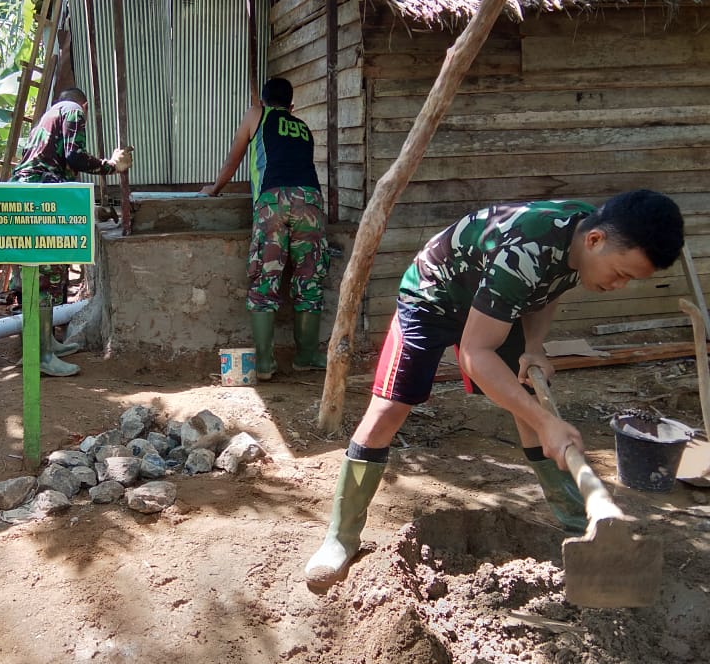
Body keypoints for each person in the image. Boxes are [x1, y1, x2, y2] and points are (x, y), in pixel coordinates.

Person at [304, 189, 685, 585]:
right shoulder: (529, 246)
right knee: (388, 412)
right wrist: (545, 422)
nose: (619, 286)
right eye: (621, 273)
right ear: (595, 241)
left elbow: (548, 286)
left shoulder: (585, 235)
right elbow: (474, 352)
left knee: (531, 404)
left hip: (496, 304)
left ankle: (583, 528)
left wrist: (534, 349)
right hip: (433, 296)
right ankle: (340, 538)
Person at [201, 77, 328, 380]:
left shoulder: (256, 115)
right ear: (292, 105)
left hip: (273, 202)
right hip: (310, 201)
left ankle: (265, 365)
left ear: (265, 102)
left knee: (264, 281)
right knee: (309, 279)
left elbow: (235, 159)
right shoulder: (303, 128)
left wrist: (215, 188)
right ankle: (307, 356)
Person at [11, 86, 132, 377]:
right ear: (85, 104)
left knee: (46, 274)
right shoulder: (73, 110)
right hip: (42, 197)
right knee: (45, 275)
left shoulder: (47, 117)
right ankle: (39, 355)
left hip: (29, 195)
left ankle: (47, 343)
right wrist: (111, 166)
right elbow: (74, 155)